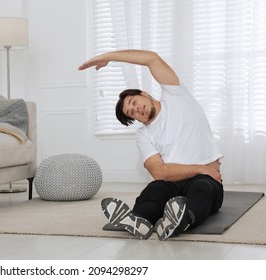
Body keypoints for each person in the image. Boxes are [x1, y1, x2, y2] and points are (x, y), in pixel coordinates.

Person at [78, 50, 224, 240]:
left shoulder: (176, 95)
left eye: (133, 102)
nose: (136, 109)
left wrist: (110, 57)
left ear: (143, 93)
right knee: (154, 190)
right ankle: (138, 220)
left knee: (202, 189)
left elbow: (151, 58)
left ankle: (182, 220)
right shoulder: (144, 135)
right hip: (175, 182)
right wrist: (200, 168)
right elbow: (159, 172)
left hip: (206, 181)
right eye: (132, 113)